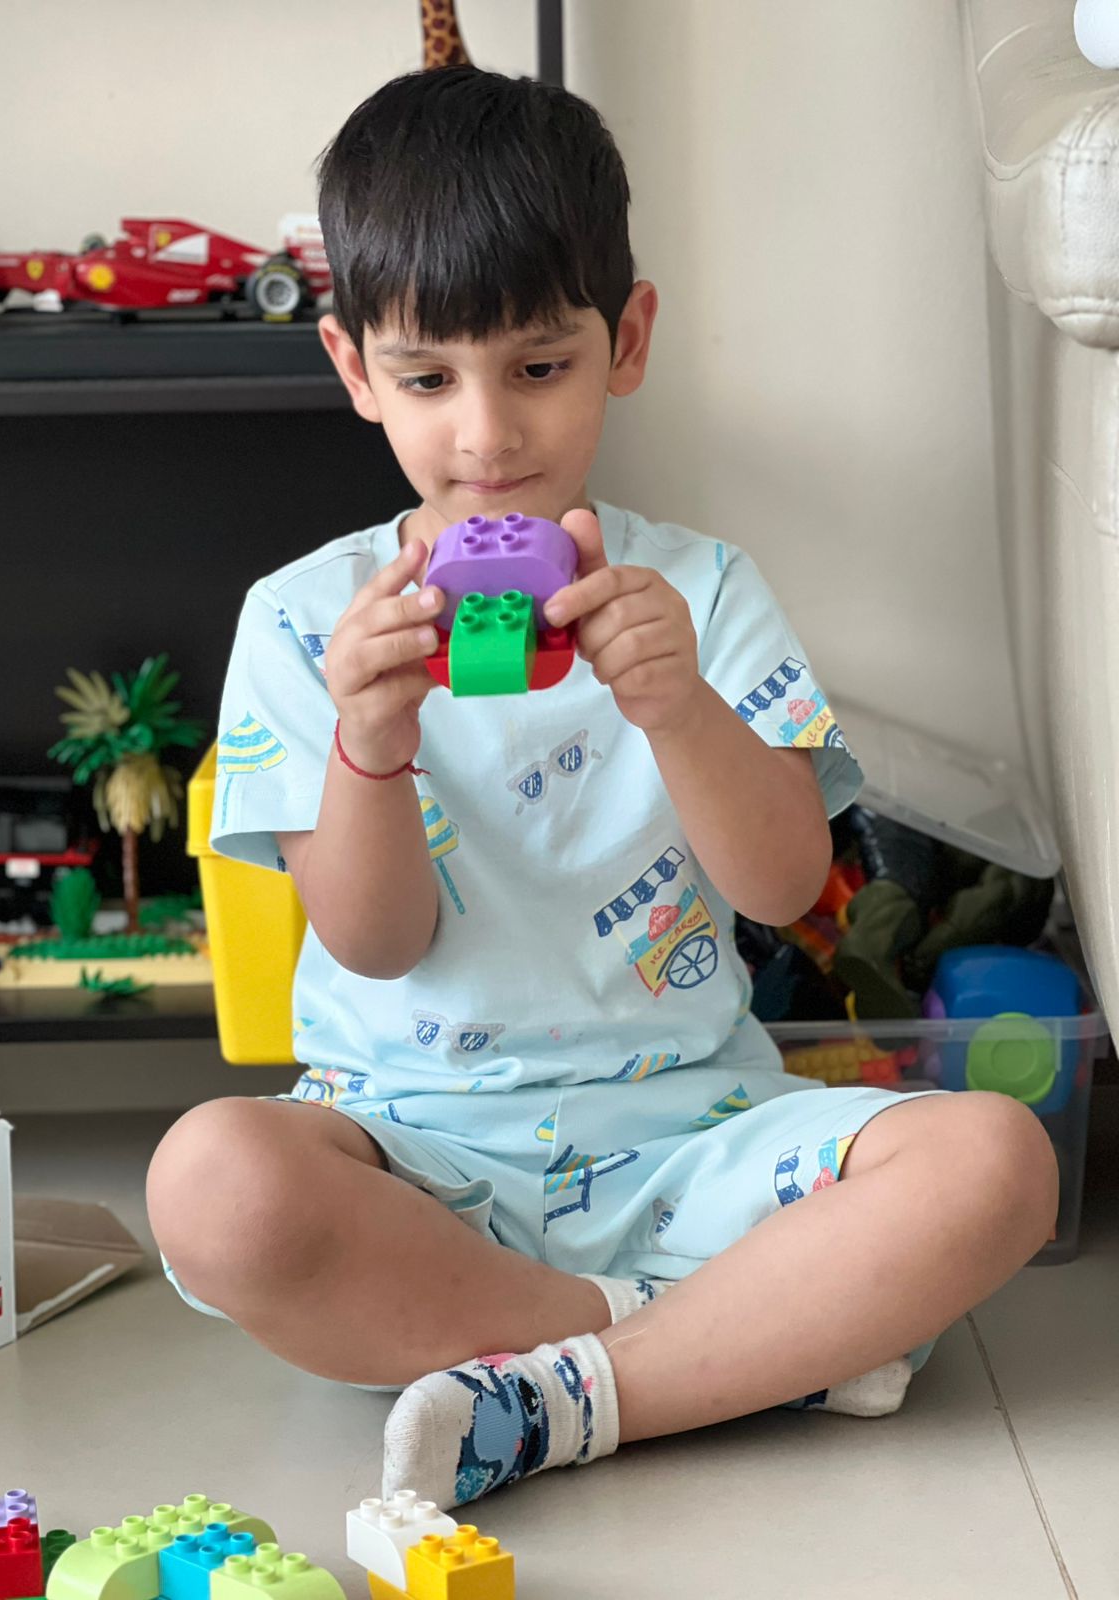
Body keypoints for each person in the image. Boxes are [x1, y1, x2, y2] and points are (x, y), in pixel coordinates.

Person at [146, 65, 1058, 1512]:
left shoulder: (699, 590)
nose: (488, 439)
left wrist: (679, 706)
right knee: (212, 1183)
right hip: (415, 1158)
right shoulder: (307, 622)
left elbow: (776, 891)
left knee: (1000, 1162)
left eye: (539, 367)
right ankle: (706, 1354)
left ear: (625, 339)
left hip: (693, 1142)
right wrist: (368, 742)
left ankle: (557, 1393)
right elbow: (372, 944)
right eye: (430, 380)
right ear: (352, 369)